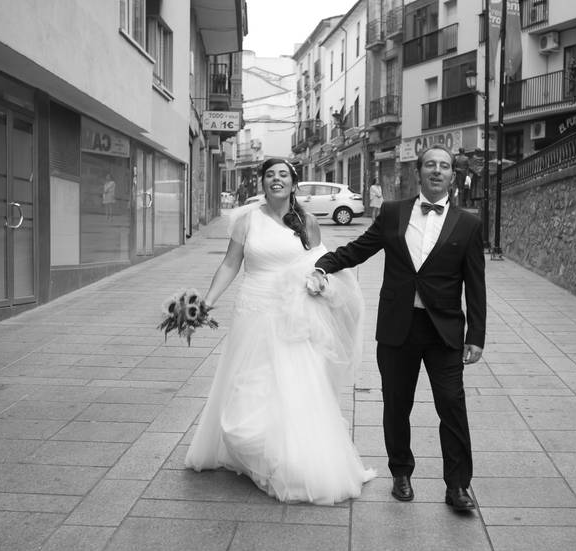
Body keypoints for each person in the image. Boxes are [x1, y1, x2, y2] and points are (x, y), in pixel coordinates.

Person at [184, 157, 375, 504]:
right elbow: (230, 264)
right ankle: (252, 448)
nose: (276, 180)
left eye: (282, 175)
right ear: (262, 182)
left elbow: (321, 265)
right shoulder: (245, 221)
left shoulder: (307, 221)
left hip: (293, 315)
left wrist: (319, 282)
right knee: (249, 383)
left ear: (293, 182)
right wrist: (207, 301)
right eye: (270, 175)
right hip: (252, 311)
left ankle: (289, 458)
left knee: (293, 385)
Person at [309, 145, 486, 513]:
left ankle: (458, 486)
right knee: (396, 406)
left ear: (452, 176)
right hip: (398, 327)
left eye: (445, 166)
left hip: (444, 332)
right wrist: (324, 264)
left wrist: (476, 337)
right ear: (418, 173)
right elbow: (359, 249)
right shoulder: (393, 214)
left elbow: (475, 284)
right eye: (431, 165)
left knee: (452, 406)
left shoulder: (468, 224)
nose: (438, 171)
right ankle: (401, 473)